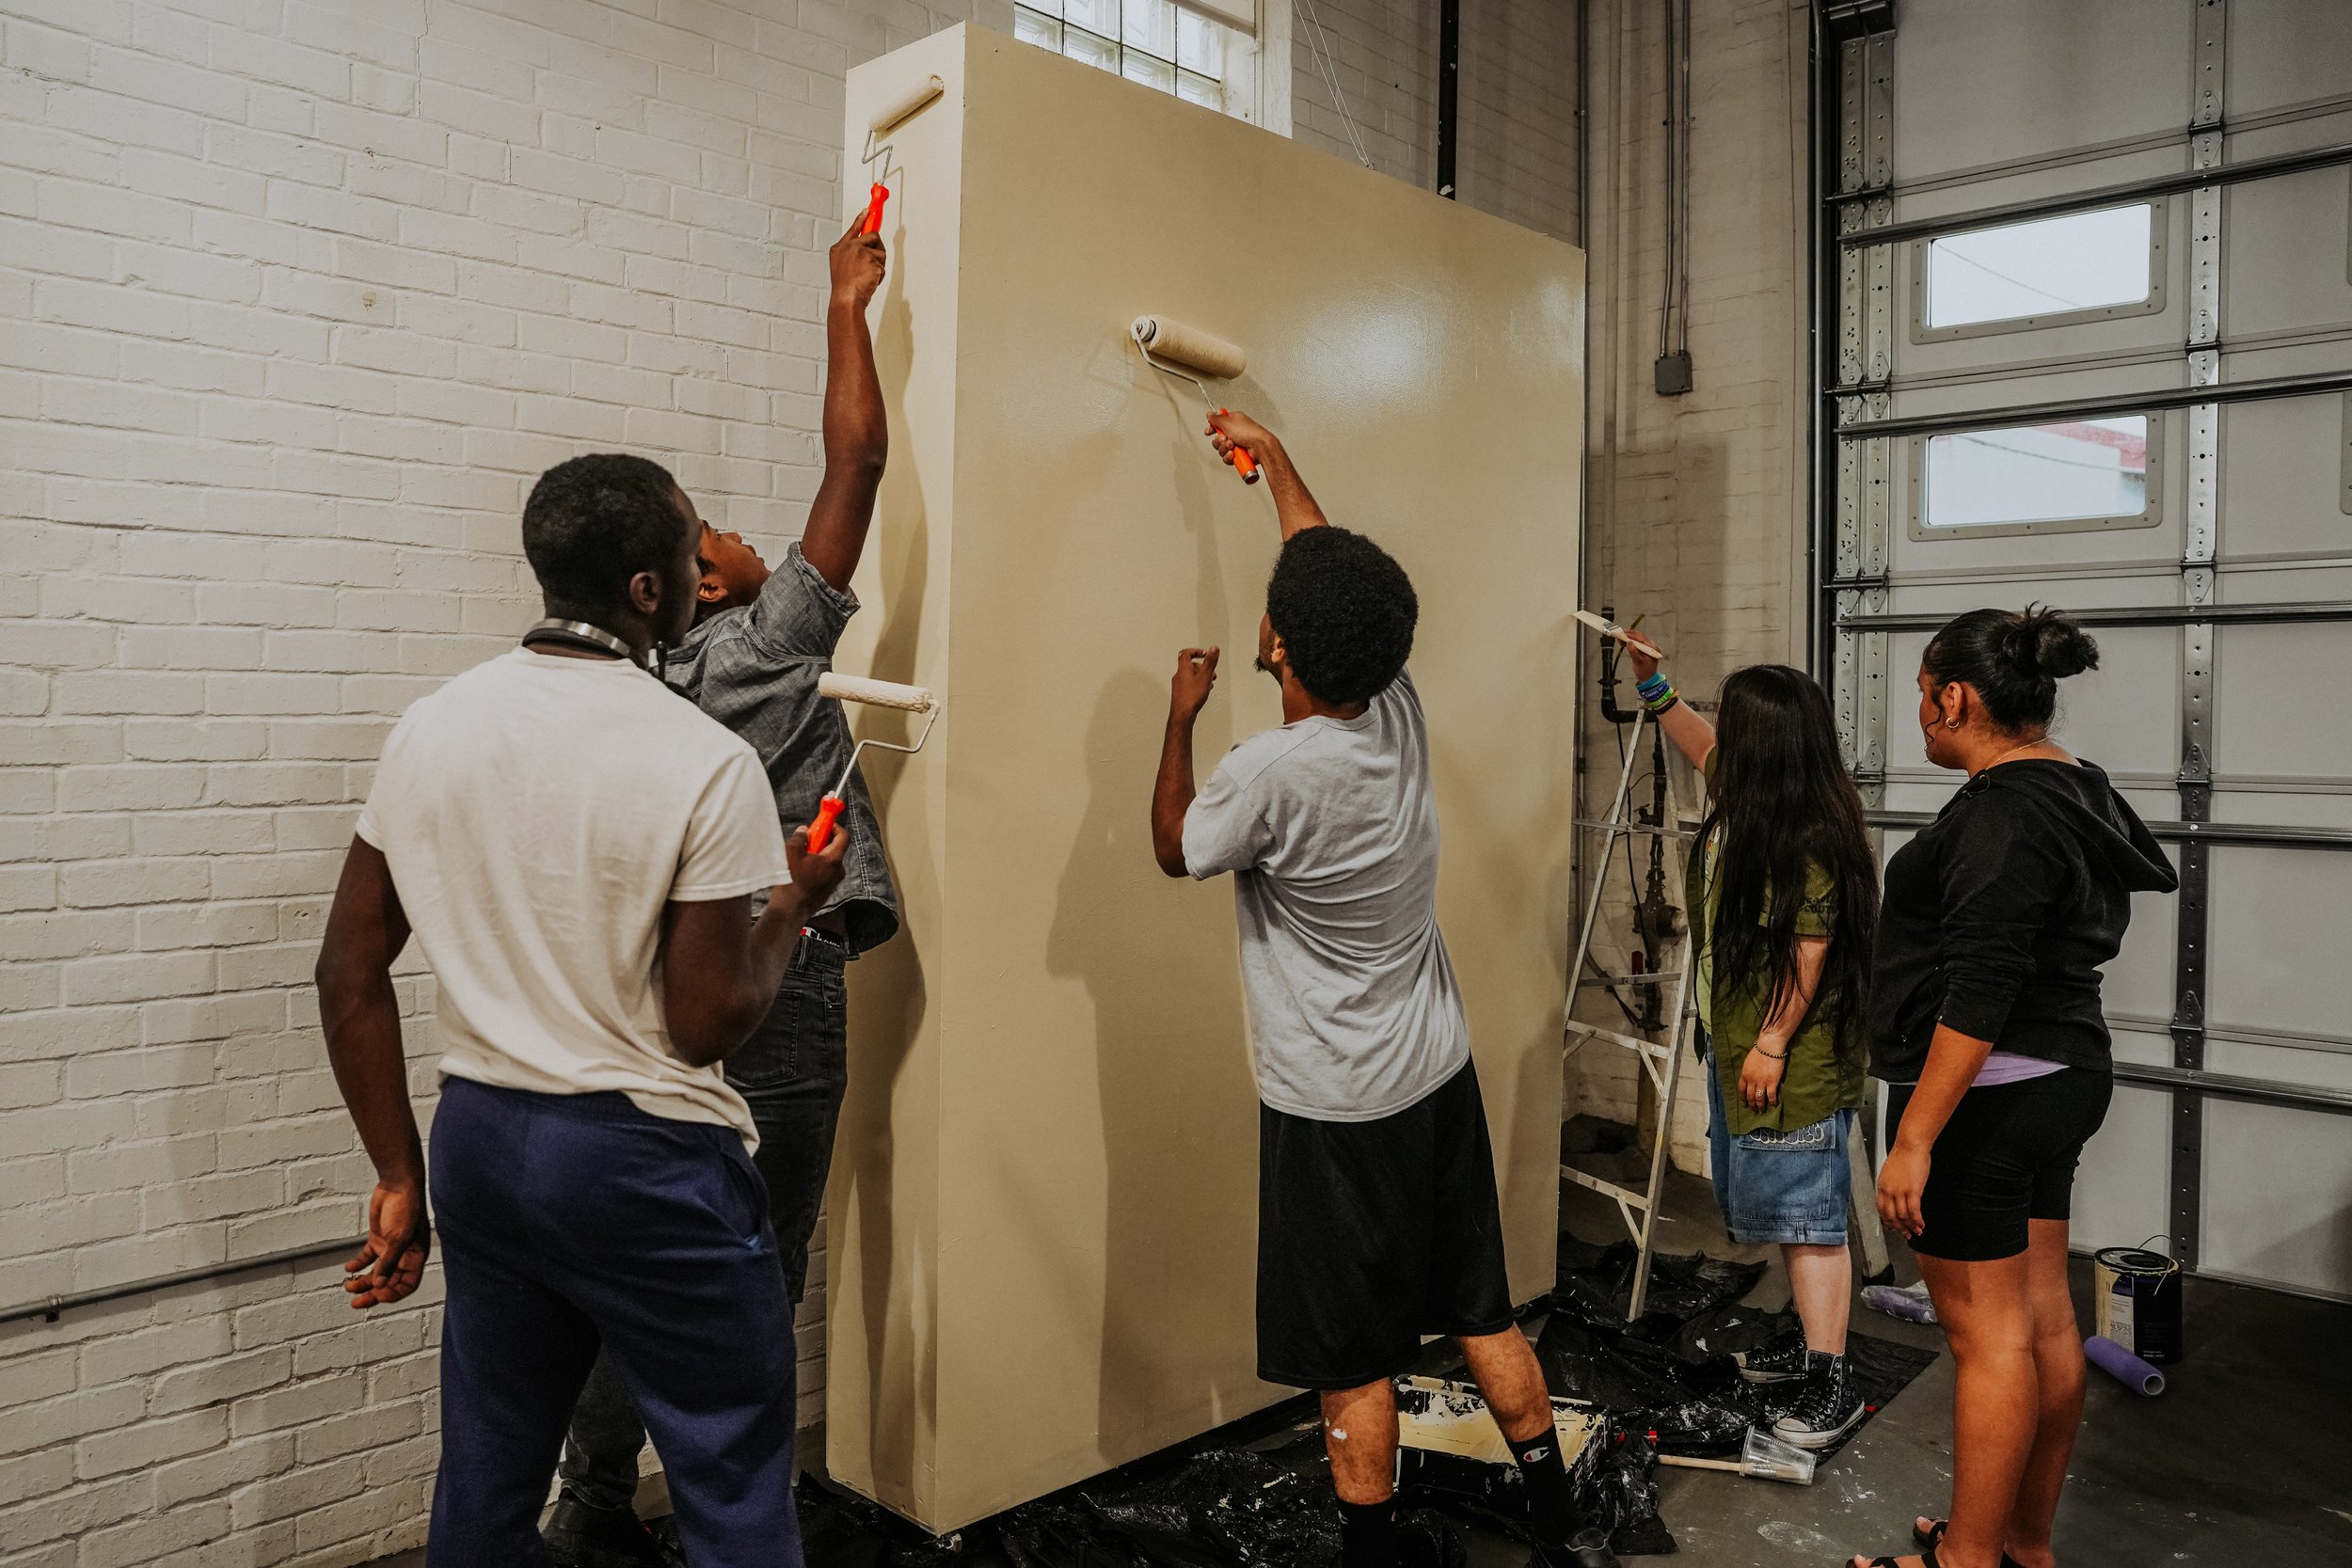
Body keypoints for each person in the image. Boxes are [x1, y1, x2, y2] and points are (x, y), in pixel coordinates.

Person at [315, 453, 850, 1568]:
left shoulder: (434, 725)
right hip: (642, 1161)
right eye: (692, 546)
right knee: (734, 1478)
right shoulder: (704, 761)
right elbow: (708, 1021)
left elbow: (347, 969)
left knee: (489, 1472)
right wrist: (794, 902)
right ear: (648, 588)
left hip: (481, 1146)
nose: (708, 564)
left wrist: (398, 1174)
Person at [1150, 412, 1617, 1568]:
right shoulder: (1393, 709)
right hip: (1433, 1073)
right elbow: (1325, 562)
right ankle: (1556, 1511)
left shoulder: (1268, 773)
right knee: (1481, 1308)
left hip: (1335, 1110)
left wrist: (1176, 717)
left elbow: (1173, 847)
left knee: (1351, 1355)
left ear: (1276, 647)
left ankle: (1371, 1552)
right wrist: (1274, 459)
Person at [543, 215, 899, 1567]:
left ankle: (589, 1507)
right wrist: (845, 299)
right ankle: (726, 1526)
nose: (736, 532)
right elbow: (855, 461)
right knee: (757, 1262)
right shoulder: (757, 652)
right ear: (689, 581)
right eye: (713, 533)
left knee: (642, 1261)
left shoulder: (612, 681)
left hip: (650, 993)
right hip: (781, 978)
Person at [1851, 607, 2175, 1568]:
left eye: (1921, 691)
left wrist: (1914, 1135)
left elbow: (1982, 984)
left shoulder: (2002, 811)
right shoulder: (2076, 785)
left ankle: (1964, 1560)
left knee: (1986, 1337)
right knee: (2041, 1318)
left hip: (1989, 1090)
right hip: (2061, 1074)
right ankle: (2018, 1541)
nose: (1918, 710)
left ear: (1955, 695)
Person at [1618, 641, 1881, 1449]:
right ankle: (1810, 1346)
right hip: (1739, 1048)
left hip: (1786, 1059)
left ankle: (1831, 1383)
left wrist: (1770, 1041)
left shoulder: (1804, 834)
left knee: (1809, 1221)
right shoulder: (1752, 793)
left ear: (1765, 743)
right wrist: (1654, 685)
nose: (1720, 739)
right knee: (1780, 1209)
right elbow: (1698, 739)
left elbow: (1812, 946)